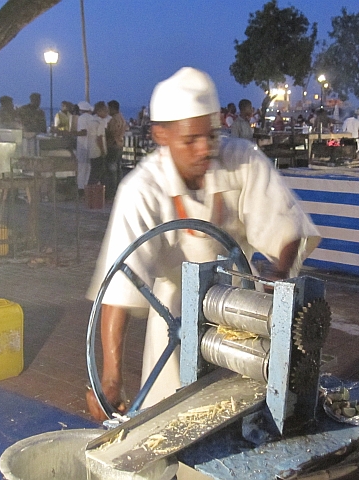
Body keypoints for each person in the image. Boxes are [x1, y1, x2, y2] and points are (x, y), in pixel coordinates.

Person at [84, 67, 321, 420]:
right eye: (190, 140)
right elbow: (121, 286)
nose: (204, 149)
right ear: (161, 135)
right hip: (174, 321)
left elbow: (287, 228)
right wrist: (111, 376)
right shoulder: (142, 190)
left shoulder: (241, 160)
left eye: (211, 135)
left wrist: (279, 276)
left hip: (244, 314)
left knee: (248, 415)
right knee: (172, 422)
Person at [105, 100, 129, 195]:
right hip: (119, 144)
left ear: (112, 108)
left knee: (112, 169)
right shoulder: (122, 118)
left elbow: (112, 132)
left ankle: (112, 191)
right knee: (118, 168)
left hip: (113, 145)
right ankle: (118, 189)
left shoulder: (114, 119)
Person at [86, 101, 109, 186]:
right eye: (105, 111)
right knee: (97, 174)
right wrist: (103, 151)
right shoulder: (101, 122)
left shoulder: (91, 120)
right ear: (99, 111)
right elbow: (99, 137)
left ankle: (89, 193)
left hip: (91, 150)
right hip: (98, 151)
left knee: (94, 172)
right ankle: (94, 193)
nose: (107, 113)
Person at [76, 101, 93, 188]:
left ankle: (81, 188)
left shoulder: (82, 118)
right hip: (90, 146)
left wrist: (71, 133)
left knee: (81, 168)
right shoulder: (92, 118)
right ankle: (87, 187)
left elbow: (83, 132)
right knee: (88, 168)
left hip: (82, 146)